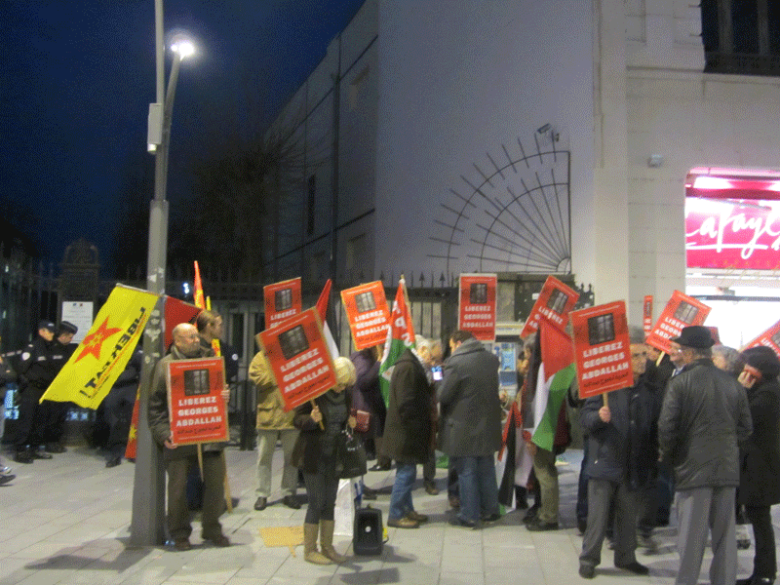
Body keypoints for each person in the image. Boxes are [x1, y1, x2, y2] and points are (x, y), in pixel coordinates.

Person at [658, 326, 752, 585]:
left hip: (692, 470)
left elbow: (667, 428)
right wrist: (727, 447)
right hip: (726, 470)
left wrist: (670, 457)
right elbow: (746, 428)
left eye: (680, 349)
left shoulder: (679, 383)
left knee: (691, 540)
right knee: (725, 538)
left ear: (689, 353)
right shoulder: (733, 384)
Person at [578, 326, 657, 579]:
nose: (642, 360)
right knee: (598, 518)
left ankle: (626, 557)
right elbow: (586, 420)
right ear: (623, 358)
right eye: (636, 356)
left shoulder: (647, 391)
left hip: (633, 463)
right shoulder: (606, 387)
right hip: (606, 460)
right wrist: (599, 417)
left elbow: (651, 425)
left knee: (627, 516)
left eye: (644, 355)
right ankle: (589, 559)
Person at [148, 323, 231, 551]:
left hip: (210, 435)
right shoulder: (165, 366)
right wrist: (164, 434)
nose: (196, 340)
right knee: (178, 490)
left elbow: (219, 393)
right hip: (180, 438)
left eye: (196, 336)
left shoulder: (211, 361)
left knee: (215, 485)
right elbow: (154, 408)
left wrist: (224, 396)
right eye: (190, 337)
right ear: (177, 342)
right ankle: (180, 533)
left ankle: (212, 529)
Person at [291, 357, 357, 565]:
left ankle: (327, 546)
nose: (341, 388)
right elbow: (296, 420)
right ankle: (310, 549)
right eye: (339, 384)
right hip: (313, 455)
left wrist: (350, 421)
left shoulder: (346, 393)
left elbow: (344, 418)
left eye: (345, 385)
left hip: (335, 455)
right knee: (316, 503)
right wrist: (311, 420)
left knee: (330, 502)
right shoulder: (314, 393)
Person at [439, 330, 502, 528]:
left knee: (466, 471)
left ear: (458, 343)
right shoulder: (491, 359)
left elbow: (443, 395)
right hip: (488, 424)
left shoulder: (456, 363)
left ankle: (469, 514)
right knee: (486, 469)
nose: (451, 349)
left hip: (463, 426)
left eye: (451, 346)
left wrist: (438, 380)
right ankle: (491, 510)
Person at [736, 346, 780, 585]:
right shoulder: (765, 389)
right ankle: (761, 571)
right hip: (756, 466)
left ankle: (765, 574)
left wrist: (741, 391)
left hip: (761, 469)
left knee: (761, 522)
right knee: (758, 519)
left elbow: (745, 419)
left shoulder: (769, 394)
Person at [384, 338, 434, 529]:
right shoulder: (409, 367)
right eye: (430, 355)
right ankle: (396, 514)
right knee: (406, 472)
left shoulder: (412, 366)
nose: (431, 359)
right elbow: (406, 402)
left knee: (408, 471)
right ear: (421, 350)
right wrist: (415, 425)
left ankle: (407, 508)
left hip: (406, 430)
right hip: (405, 432)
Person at [248, 349, 300, 511]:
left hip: (290, 415)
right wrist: (278, 373)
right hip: (267, 416)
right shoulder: (261, 357)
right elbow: (256, 378)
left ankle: (289, 493)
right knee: (264, 458)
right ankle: (262, 494)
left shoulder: (294, 354)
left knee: (292, 458)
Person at [13, 320, 57, 464]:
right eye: (49, 331)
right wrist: (26, 383)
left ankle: (35, 448)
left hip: (43, 391)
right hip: (31, 390)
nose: (51, 334)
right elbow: (21, 368)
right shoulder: (32, 347)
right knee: (27, 420)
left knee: (40, 420)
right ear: (41, 331)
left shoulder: (50, 348)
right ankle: (20, 449)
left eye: (52, 332)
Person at [40, 321, 79, 454]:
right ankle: (49, 442)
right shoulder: (51, 348)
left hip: (65, 389)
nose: (70, 339)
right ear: (62, 335)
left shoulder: (69, 349)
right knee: (52, 417)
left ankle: (56, 441)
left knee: (60, 417)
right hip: (52, 389)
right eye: (69, 336)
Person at [103, 346, 142, 467]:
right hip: (113, 386)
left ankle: (131, 452)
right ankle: (115, 452)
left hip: (130, 386)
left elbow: (142, 368)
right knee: (113, 420)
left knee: (132, 420)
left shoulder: (136, 348)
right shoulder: (109, 344)